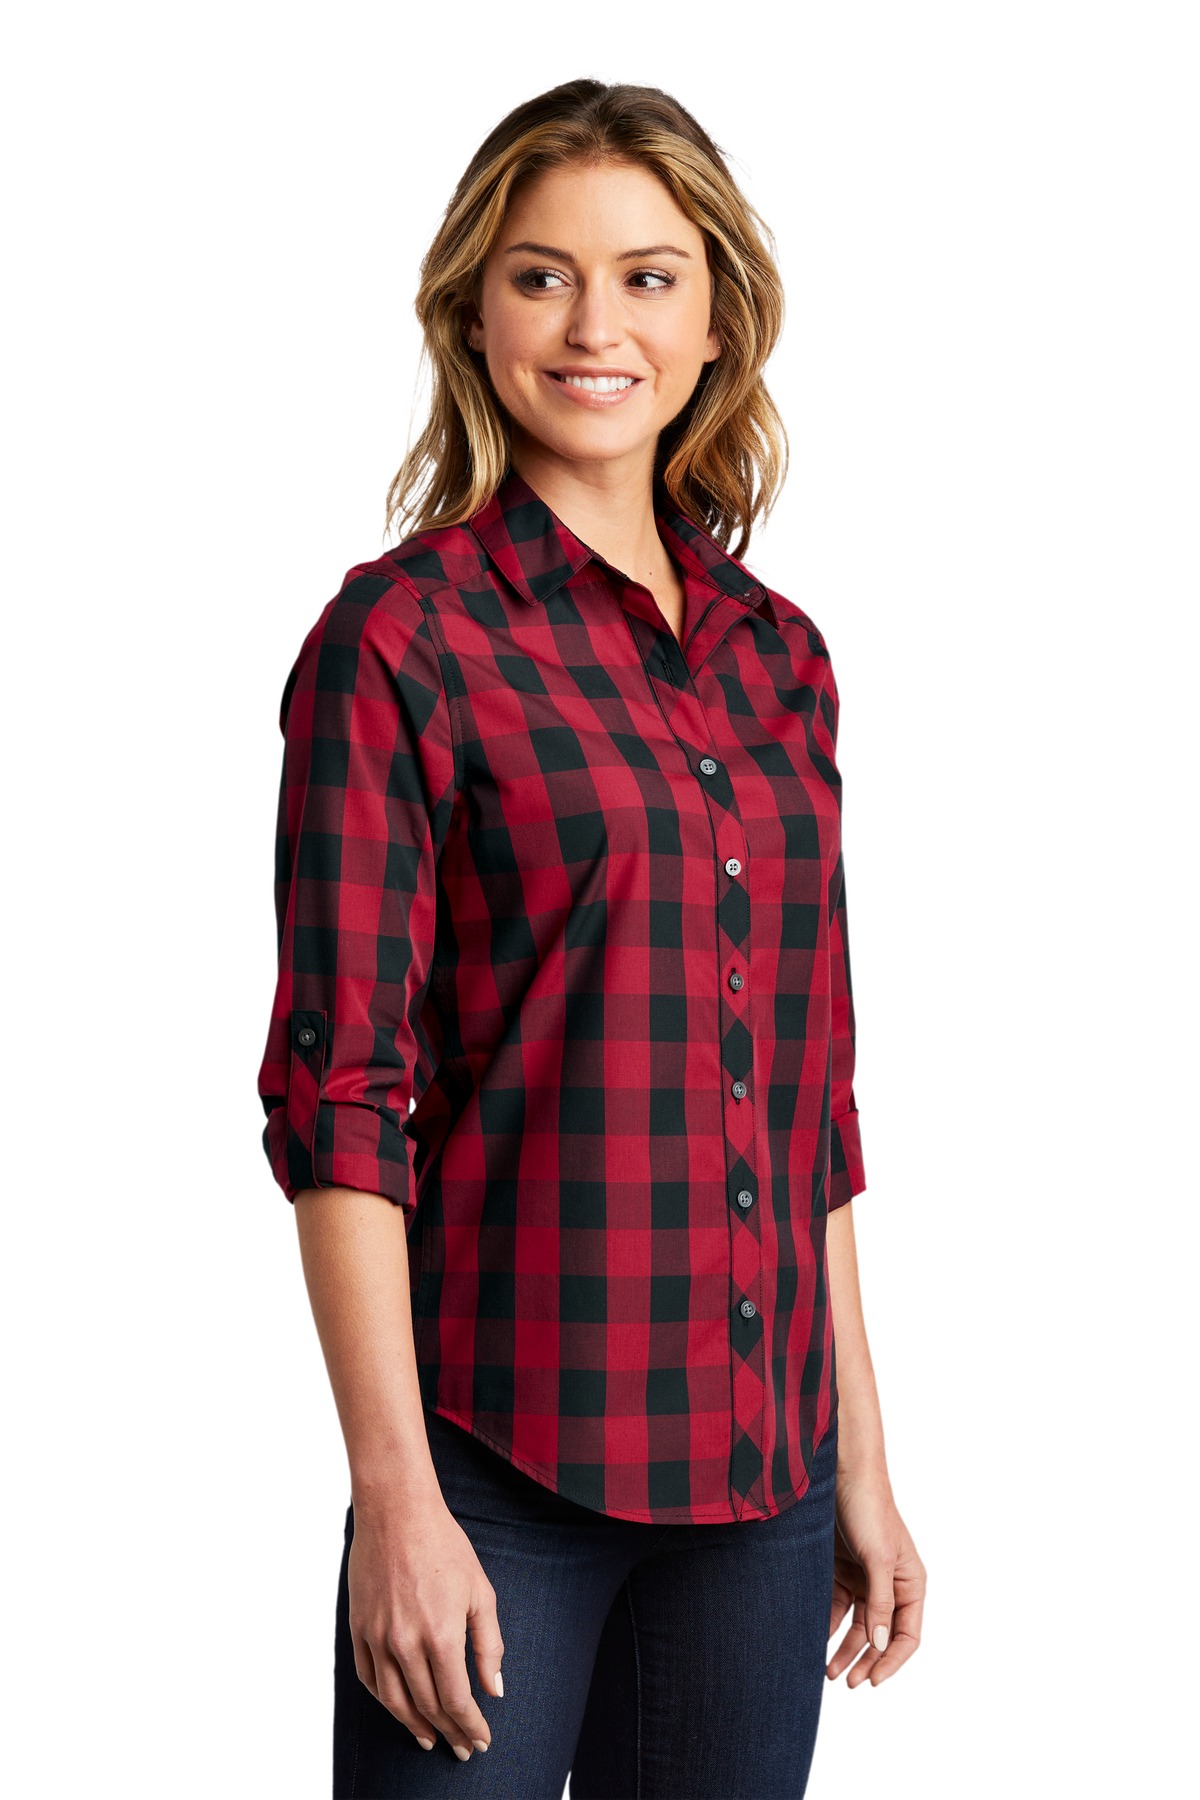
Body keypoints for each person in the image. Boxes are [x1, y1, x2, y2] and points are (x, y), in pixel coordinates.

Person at [256, 77, 926, 1800]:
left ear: (715, 322)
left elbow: (810, 1099)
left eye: (646, 277)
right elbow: (342, 1103)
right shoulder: (402, 642)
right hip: (497, 1473)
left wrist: (860, 1452)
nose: (593, 327)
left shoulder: (783, 660)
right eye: (541, 276)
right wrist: (395, 1501)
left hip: (763, 1491)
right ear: (475, 316)